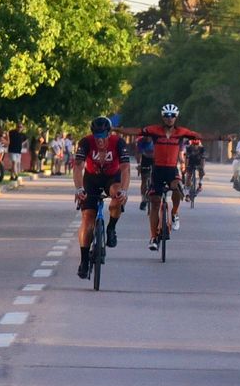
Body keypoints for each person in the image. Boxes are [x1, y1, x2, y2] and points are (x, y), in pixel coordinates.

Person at [127, 104, 201, 248]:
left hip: (172, 170)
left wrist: (221, 137)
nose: (169, 118)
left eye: (172, 116)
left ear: (176, 117)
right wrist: (115, 129)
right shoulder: (154, 130)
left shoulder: (181, 132)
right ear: (163, 117)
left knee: (177, 189)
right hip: (158, 171)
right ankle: (153, 237)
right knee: (155, 203)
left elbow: (200, 136)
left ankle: (174, 213)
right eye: (167, 115)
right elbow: (136, 131)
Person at [73, 117, 130, 277]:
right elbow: (78, 166)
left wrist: (124, 191)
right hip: (91, 179)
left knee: (117, 196)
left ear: (109, 134)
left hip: (112, 178)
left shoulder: (118, 143)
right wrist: (79, 188)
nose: (100, 141)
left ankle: (111, 227)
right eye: (96, 136)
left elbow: (125, 168)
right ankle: (84, 260)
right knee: (87, 219)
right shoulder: (85, 142)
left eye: (103, 136)